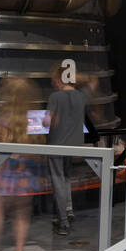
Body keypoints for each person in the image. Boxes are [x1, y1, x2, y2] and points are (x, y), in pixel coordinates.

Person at [0, 75, 48, 251]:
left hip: (4, 174)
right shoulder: (35, 119)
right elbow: (40, 152)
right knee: (22, 214)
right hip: (26, 176)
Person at [44, 63, 88, 236]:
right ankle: (69, 210)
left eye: (55, 79)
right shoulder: (81, 96)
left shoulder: (55, 97)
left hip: (56, 144)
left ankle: (63, 222)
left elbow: (47, 122)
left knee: (57, 179)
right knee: (66, 176)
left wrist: (44, 121)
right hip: (74, 144)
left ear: (60, 79)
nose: (53, 83)